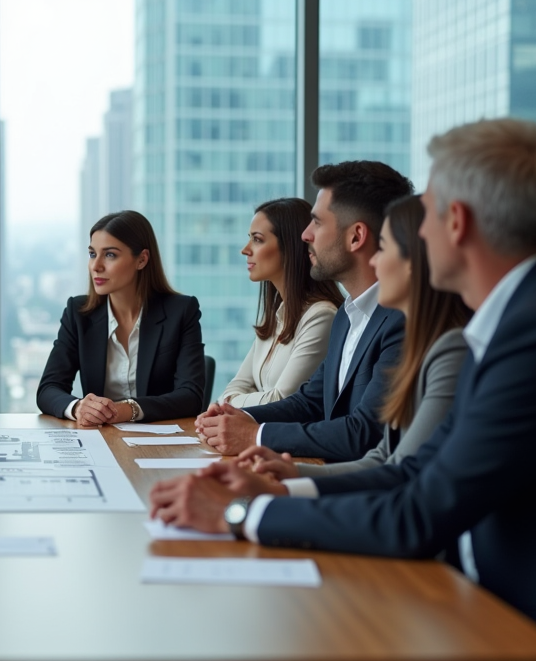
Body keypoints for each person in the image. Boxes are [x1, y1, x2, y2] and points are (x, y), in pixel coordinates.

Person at [150, 119, 536, 661]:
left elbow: (420, 510)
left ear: (456, 223)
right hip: (477, 615)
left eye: (426, 211)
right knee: (255, 656)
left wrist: (240, 515)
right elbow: (413, 471)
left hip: (525, 651)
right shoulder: (520, 320)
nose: (406, 231)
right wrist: (276, 491)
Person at [195, 161, 413, 462]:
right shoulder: (346, 318)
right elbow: (308, 402)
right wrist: (237, 416)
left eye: (318, 223)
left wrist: (253, 435)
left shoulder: (401, 321)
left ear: (356, 237)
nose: (305, 235)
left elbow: (364, 434)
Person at [246, 194, 470, 479]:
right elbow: (383, 457)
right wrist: (290, 476)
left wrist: (263, 447)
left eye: (384, 248)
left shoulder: (447, 348)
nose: (374, 261)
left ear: (416, 261)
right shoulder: (348, 317)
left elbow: (399, 474)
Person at [36, 210, 206, 425]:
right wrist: (79, 407)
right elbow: (48, 389)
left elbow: (191, 396)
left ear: (142, 259)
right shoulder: (78, 313)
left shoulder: (181, 311)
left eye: (110, 255)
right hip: (100, 439)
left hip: (162, 443)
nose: (96, 266)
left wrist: (127, 409)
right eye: (92, 254)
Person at [219, 198, 344, 407]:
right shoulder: (278, 315)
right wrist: (231, 400)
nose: (245, 250)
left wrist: (230, 402)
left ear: (291, 246)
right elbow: (232, 389)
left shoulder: (321, 316)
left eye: (257, 240)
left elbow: (281, 401)